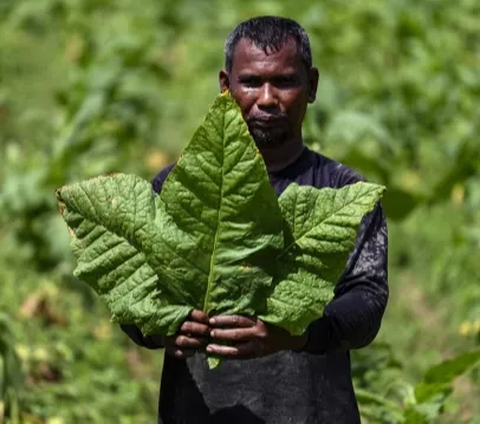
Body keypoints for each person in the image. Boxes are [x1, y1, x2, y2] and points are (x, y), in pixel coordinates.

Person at [122, 15, 388, 424]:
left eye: (284, 82)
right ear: (226, 87)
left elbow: (367, 301)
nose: (267, 98)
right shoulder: (179, 187)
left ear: (312, 86)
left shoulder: (343, 192)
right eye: (250, 82)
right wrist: (160, 328)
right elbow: (131, 290)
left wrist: (298, 335)